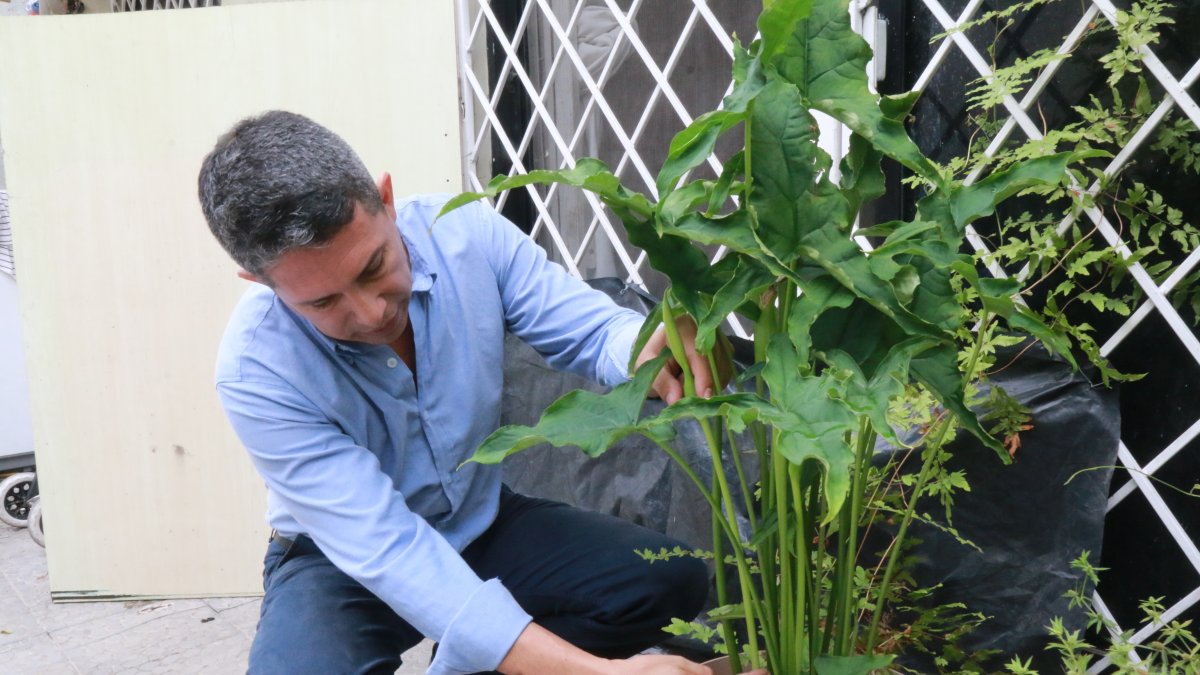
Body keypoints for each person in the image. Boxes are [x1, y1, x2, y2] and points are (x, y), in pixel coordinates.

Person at [198, 111, 738, 675]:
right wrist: (598, 673)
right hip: (341, 560)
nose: (370, 312)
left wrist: (644, 348)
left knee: (665, 578)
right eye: (322, 303)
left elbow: (593, 329)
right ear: (260, 282)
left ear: (386, 200)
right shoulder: (256, 370)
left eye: (373, 267)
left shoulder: (463, 235)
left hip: (482, 521)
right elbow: (392, 552)